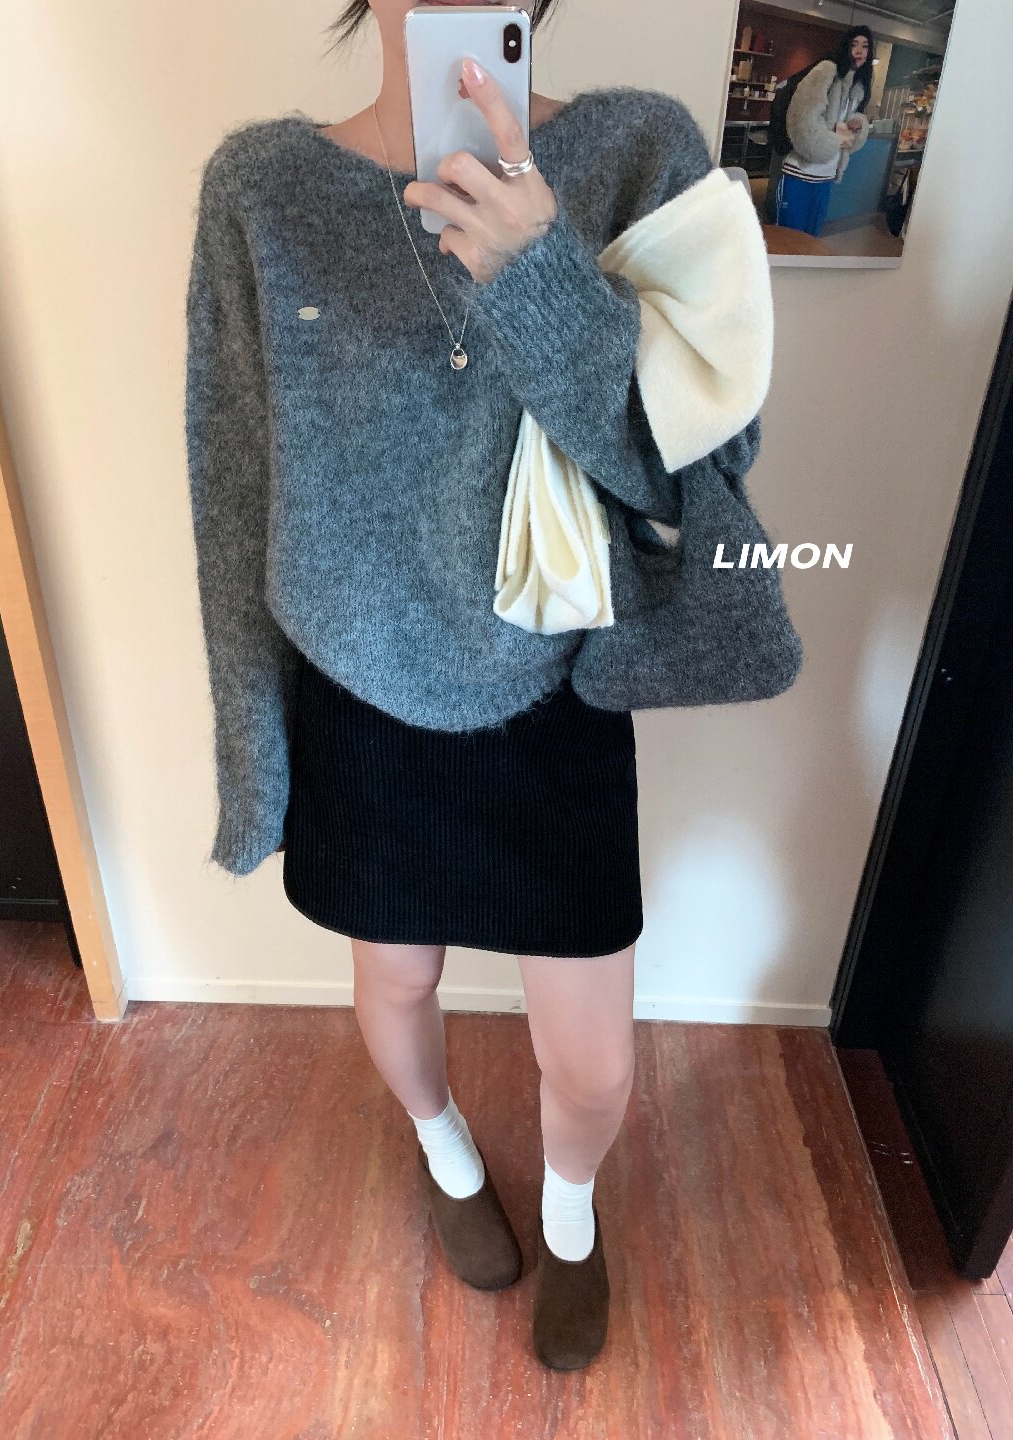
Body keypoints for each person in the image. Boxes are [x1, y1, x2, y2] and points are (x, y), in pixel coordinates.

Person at [184, 0, 751, 1372]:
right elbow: (234, 486)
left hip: (556, 690)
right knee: (393, 989)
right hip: (358, 688)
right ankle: (445, 1157)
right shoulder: (262, 190)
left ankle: (571, 1218)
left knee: (594, 1062)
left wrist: (543, 274)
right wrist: (252, 753)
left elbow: (698, 480)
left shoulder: (638, 154)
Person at [774, 25, 874, 237]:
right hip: (799, 172)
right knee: (788, 240)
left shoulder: (859, 88)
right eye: (854, 44)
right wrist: (829, 143)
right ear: (845, 47)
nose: (859, 50)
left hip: (826, 176)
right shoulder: (827, 70)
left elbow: (843, 134)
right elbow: (802, 118)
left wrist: (856, 126)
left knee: (811, 241)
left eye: (865, 46)